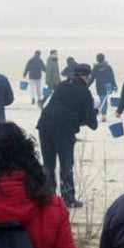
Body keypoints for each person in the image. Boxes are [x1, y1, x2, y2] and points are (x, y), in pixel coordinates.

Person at [36, 63, 98, 208]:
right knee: (66, 165)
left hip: (44, 124)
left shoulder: (62, 86)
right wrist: (94, 113)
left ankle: (49, 196)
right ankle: (68, 197)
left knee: (48, 164)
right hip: (64, 130)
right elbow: (92, 124)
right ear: (87, 77)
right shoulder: (84, 92)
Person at [92, 53, 117, 121]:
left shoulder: (95, 67)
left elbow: (92, 78)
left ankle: (104, 114)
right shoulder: (108, 67)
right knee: (105, 99)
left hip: (99, 86)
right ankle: (104, 114)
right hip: (107, 86)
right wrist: (115, 85)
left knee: (103, 99)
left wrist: (85, 85)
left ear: (97, 59)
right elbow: (112, 77)